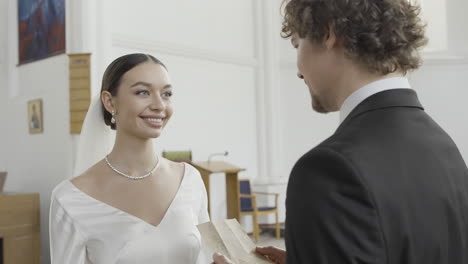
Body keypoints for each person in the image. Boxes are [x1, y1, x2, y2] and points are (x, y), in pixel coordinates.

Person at [213, 0, 468, 263]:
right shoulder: (443, 147)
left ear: (327, 33)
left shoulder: (329, 169)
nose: (299, 73)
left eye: (298, 45)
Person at [49, 53, 209, 263]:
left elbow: (206, 256)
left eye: (166, 94)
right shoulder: (70, 199)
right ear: (109, 101)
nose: (159, 105)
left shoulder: (190, 180)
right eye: (143, 92)